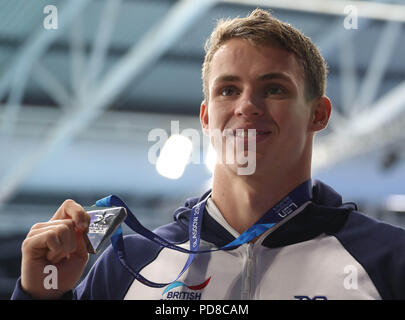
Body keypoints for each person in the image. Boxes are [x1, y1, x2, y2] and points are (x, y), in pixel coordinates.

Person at [11, 9, 405, 300]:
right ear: (205, 116)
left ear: (318, 114)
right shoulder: (131, 262)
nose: (247, 106)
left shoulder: (388, 258)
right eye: (228, 90)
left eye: (274, 89)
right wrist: (41, 293)